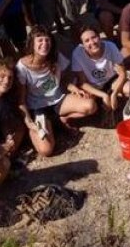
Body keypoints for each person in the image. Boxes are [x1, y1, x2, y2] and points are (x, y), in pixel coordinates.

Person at [16, 27, 98, 157]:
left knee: (91, 105)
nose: (45, 44)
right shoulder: (22, 66)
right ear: (32, 43)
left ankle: (61, 119)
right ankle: (39, 129)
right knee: (46, 150)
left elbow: (65, 79)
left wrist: (74, 89)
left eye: (47, 40)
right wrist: (28, 121)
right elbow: (21, 100)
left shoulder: (55, 56)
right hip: (38, 107)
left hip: (58, 99)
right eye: (40, 40)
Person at [70, 25, 129, 115]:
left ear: (99, 37)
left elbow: (122, 73)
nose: (92, 42)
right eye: (87, 41)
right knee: (87, 105)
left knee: (128, 88)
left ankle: (120, 104)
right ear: (82, 45)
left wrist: (114, 93)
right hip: (92, 85)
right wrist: (103, 95)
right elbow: (82, 82)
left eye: (94, 37)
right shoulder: (77, 54)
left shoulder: (110, 46)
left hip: (111, 80)